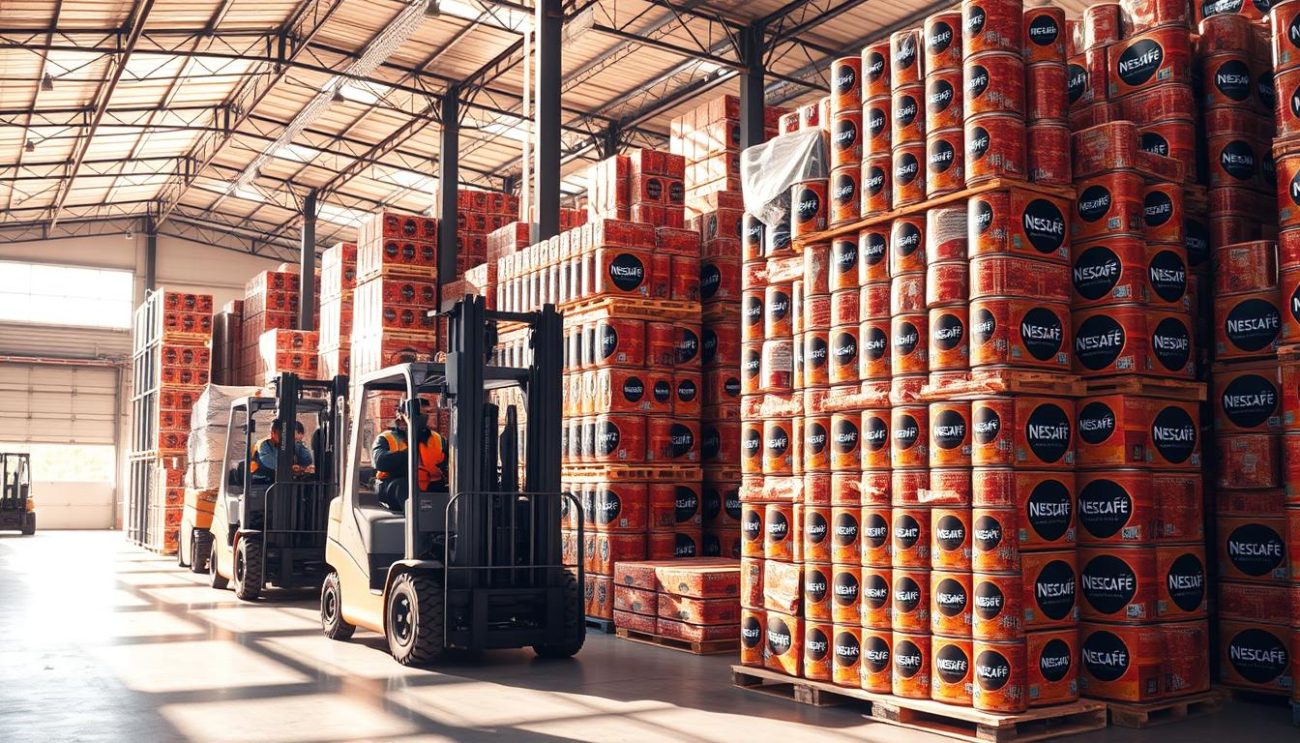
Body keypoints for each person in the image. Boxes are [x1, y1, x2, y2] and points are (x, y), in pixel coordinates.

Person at [371, 398, 447, 511]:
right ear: (402, 415)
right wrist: (411, 450)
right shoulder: (386, 438)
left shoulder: (438, 440)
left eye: (424, 414)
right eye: (418, 414)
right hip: (395, 486)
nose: (421, 418)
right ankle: (415, 519)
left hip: (429, 487)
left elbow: (448, 466)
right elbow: (380, 461)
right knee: (402, 486)